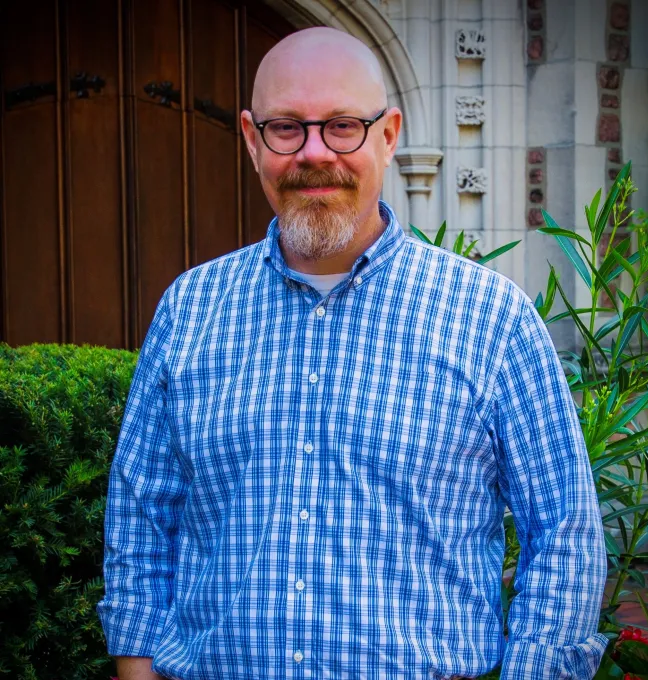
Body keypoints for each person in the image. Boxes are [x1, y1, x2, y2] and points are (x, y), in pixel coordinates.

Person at [98, 26, 608, 680]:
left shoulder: (491, 321)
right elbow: (141, 516)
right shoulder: (190, 311)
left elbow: (565, 534)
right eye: (286, 128)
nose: (314, 153)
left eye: (343, 126)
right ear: (252, 140)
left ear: (388, 136)